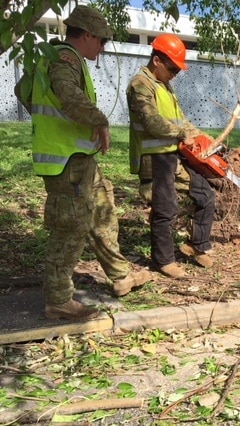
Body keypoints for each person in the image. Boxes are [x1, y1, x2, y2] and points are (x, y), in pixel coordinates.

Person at [13, 5, 154, 322]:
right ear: (87, 35)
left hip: (79, 157)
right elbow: (65, 92)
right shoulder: (65, 57)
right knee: (70, 228)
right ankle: (59, 300)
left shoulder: (47, 57)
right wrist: (99, 120)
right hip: (66, 160)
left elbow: (21, 89)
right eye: (101, 41)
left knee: (102, 212)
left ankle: (120, 275)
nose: (102, 47)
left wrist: (49, 115)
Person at [127, 33, 220, 279]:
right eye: (172, 69)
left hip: (174, 156)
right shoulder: (140, 85)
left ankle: (197, 246)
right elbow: (151, 121)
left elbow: (182, 122)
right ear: (157, 60)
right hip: (154, 157)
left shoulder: (165, 85)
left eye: (177, 71)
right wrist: (181, 134)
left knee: (205, 194)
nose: (175, 74)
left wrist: (203, 139)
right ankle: (164, 260)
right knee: (165, 208)